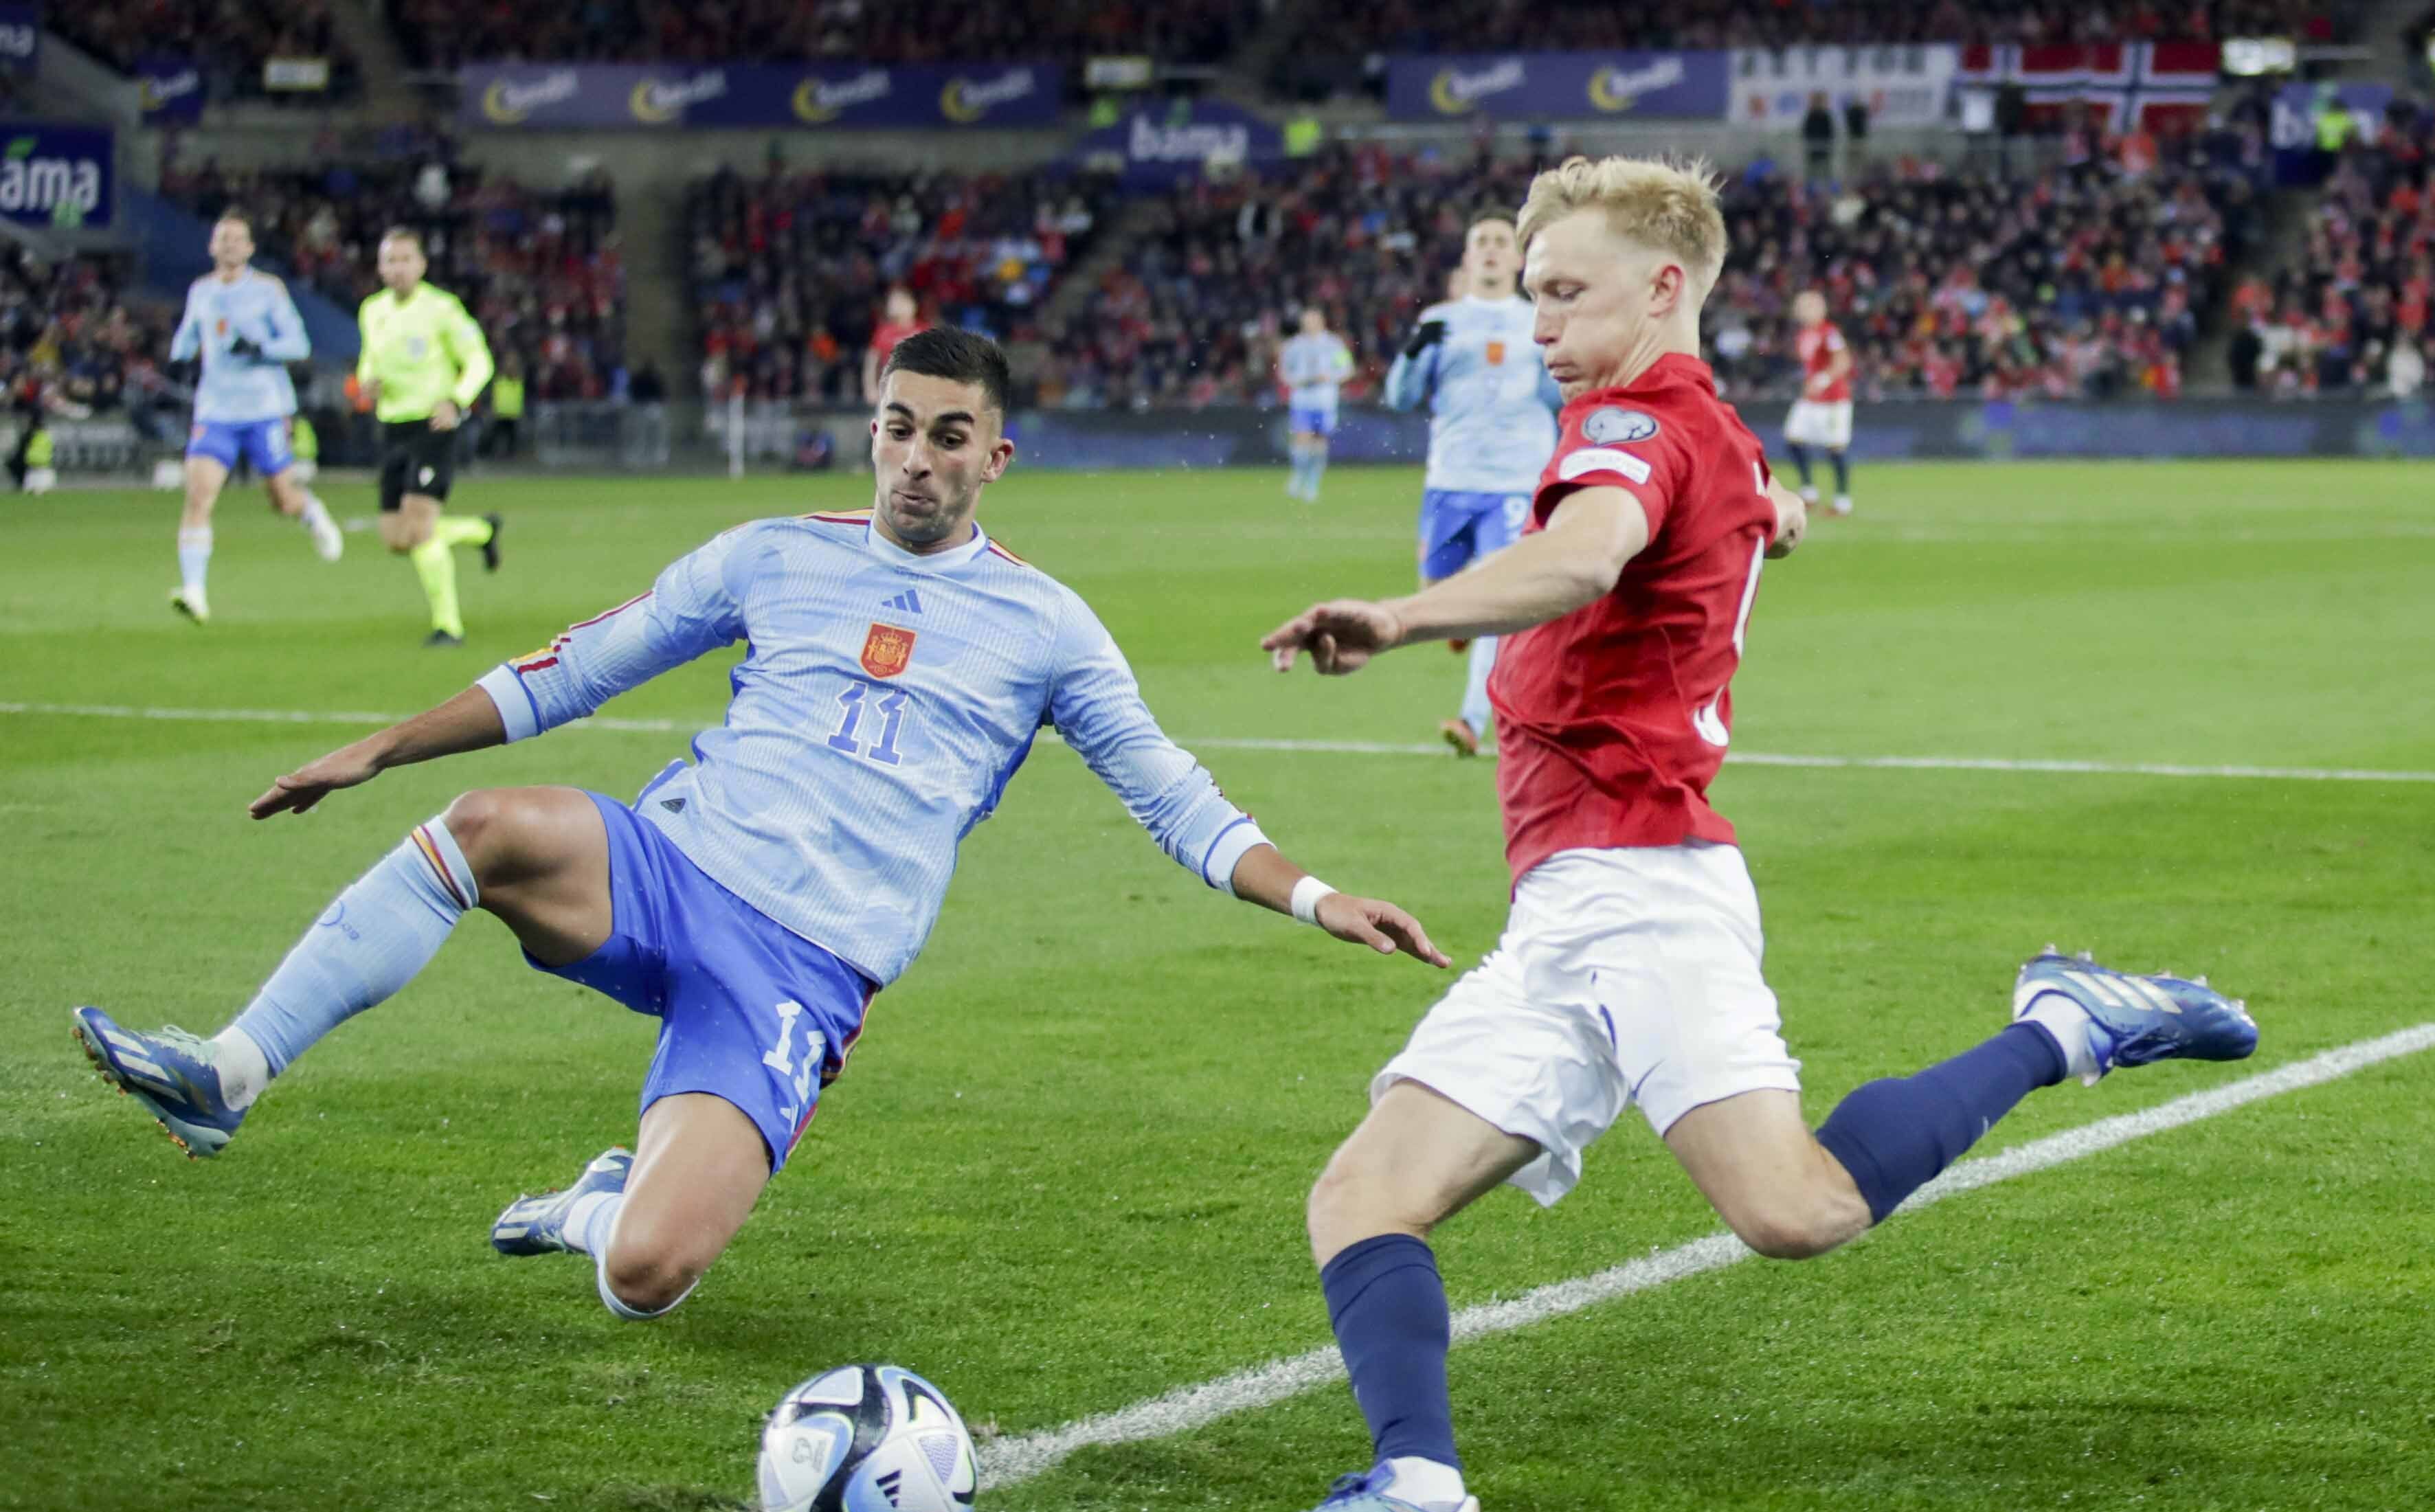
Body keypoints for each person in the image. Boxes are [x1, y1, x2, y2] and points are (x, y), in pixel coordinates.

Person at [1223, 156, 2258, 1512]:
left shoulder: (1640, 426)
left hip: (1641, 882)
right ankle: (1418, 1489)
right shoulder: (1689, 422)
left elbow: (1589, 556)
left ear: (1664, 288)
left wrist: (1402, 621)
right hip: (1563, 904)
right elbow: (1694, 522)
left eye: (1565, 295)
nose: (1539, 328)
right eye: (1530, 298)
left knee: (1793, 1210)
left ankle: (2063, 1022)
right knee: (1360, 1194)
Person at [71, 328, 1448, 1330]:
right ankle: (231, 1071)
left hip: (809, 964)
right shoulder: (769, 552)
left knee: (647, 1279)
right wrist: (377, 748)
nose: (917, 456)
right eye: (897, 426)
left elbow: (1176, 800)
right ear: (872, 434)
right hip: (671, 869)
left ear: (997, 456)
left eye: (948, 434)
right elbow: (574, 668)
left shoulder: (1049, 630)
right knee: (484, 823)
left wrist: (1320, 894)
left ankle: (595, 1203)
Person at [1382, 208, 1560, 759]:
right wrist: (1413, 353)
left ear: (1517, 257)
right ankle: (1456, 618)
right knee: (1434, 593)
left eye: (1499, 240)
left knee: (1495, 606)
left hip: (1512, 483)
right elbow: (1399, 398)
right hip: (1449, 480)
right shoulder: (1441, 320)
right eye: (1479, 239)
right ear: (1466, 257)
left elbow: (1563, 395)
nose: (1489, 248)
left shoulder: (1541, 321)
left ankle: (1471, 719)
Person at [164, 212, 345, 623]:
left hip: (264, 410)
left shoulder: (268, 290)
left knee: (282, 500)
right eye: (222, 238)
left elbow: (298, 343)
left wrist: (260, 347)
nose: (229, 245)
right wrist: (177, 356)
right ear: (212, 247)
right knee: (198, 497)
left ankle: (310, 510)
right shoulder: (202, 291)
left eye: (237, 239)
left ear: (249, 248)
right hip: (216, 412)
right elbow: (190, 335)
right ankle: (194, 591)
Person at [359, 229, 504, 647]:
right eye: (391, 260)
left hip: (433, 426)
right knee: (396, 537)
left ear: (421, 265)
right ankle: (481, 531)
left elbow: (480, 360)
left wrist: (456, 401)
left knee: (420, 529)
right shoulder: (372, 310)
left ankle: (448, 627)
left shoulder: (442, 309)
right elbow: (370, 358)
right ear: (381, 267)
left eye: (406, 259)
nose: (398, 268)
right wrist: (366, 382)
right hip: (393, 428)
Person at [1782, 289, 1855, 516]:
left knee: (1835, 448)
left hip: (1834, 399)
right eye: (1800, 307)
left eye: (1808, 307)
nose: (1802, 311)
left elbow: (1843, 361)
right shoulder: (1804, 334)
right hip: (1812, 399)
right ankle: (1808, 492)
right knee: (1793, 438)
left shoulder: (1829, 331)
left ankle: (1842, 501)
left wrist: (1822, 380)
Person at [1277, 307, 1353, 503]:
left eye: (1314, 320)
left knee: (1319, 443)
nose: (1310, 324)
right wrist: (1296, 381)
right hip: (1302, 399)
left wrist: (1331, 377)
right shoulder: (1294, 346)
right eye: (1307, 320)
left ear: (1321, 321)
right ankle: (1298, 475)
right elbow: (1284, 373)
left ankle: (1313, 484)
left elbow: (1347, 369)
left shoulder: (1333, 344)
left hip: (1325, 401)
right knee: (1301, 439)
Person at [862, 287, 928, 404]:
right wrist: (870, 389)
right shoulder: (884, 332)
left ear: (911, 305)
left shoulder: (923, 330)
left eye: (899, 302)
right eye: (892, 302)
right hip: (891, 389)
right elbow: (872, 361)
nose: (894, 306)